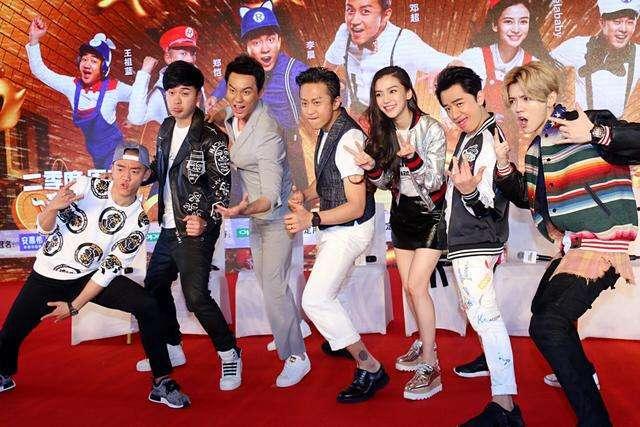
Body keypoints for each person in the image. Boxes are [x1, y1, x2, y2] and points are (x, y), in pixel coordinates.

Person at [495, 61, 639, 426]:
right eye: (513, 100)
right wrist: (504, 167)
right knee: (542, 313)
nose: (518, 108)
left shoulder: (588, 122)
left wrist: (596, 132)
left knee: (548, 325)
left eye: (527, 98)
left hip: (603, 245)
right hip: (574, 247)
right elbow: (530, 199)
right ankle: (581, 370)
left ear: (551, 99)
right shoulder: (536, 147)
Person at [0, 143, 191, 409]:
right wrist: (52, 208)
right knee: (10, 333)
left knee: (147, 305)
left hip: (89, 277)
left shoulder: (138, 222)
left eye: (134, 171)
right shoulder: (85, 188)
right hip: (47, 275)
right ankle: (3, 374)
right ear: (111, 169)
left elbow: (107, 271)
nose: (125, 177)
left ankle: (162, 381)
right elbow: (44, 229)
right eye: (120, 168)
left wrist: (74, 306)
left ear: (146, 175)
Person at [133, 60, 242, 391]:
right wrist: (139, 175)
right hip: (169, 225)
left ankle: (230, 352)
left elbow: (223, 187)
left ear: (197, 95)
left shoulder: (211, 137)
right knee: (154, 286)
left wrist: (205, 218)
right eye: (171, 93)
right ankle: (172, 345)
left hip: (196, 228)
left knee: (195, 297)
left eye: (184, 93)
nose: (177, 100)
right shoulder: (166, 127)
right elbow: (161, 167)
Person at [285, 67, 388, 403]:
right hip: (336, 225)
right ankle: (339, 339)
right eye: (304, 103)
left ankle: (370, 366)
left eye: (317, 102)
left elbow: (356, 206)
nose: (310, 110)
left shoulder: (347, 140)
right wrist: (306, 194)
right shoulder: (328, 128)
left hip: (349, 230)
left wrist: (311, 218)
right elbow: (328, 178)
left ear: (336, 101)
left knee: (315, 300)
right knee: (331, 293)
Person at [346, 65, 446, 400]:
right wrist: (371, 167)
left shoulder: (430, 128)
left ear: (408, 92)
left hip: (431, 215)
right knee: (409, 287)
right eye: (379, 94)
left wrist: (413, 156)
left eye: (392, 91)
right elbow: (386, 182)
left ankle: (431, 364)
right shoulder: (384, 131)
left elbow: (435, 180)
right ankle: (424, 343)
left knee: (417, 286)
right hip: (402, 215)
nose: (386, 99)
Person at [215, 54, 310, 388]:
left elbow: (270, 196)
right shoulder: (233, 115)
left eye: (247, 92)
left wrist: (242, 210)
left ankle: (296, 355)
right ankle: (294, 327)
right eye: (232, 90)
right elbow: (222, 115)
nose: (238, 98)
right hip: (257, 218)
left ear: (259, 92)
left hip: (276, 217)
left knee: (272, 285)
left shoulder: (267, 132)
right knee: (272, 283)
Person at [435, 66, 523, 426]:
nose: (455, 113)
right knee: (480, 315)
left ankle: (505, 407)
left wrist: (468, 191)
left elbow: (487, 204)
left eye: (460, 103)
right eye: (448, 107)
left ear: (480, 96)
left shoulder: (487, 139)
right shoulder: (472, 135)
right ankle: (498, 382)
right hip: (470, 241)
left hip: (476, 242)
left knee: (486, 319)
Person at [207, 1, 310, 188]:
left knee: (298, 191)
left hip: (288, 142)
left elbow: (316, 85)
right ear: (247, 47)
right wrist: (215, 96)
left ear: (279, 41)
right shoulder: (246, 69)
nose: (265, 48)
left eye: (270, 40)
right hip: (256, 142)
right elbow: (228, 80)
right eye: (256, 42)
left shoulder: (293, 70)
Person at [26, 17, 130, 169]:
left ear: (104, 67)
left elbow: (143, 97)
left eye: (94, 61)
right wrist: (34, 38)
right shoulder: (72, 86)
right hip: (96, 156)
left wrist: (133, 117)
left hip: (117, 156)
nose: (87, 64)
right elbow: (40, 71)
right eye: (84, 59)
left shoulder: (115, 88)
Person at [323, 0, 453, 115]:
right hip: (357, 114)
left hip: (394, 119)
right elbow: (329, 66)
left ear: (386, 15)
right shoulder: (344, 33)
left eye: (365, 11)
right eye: (350, 10)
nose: (354, 21)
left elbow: (454, 64)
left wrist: (444, 73)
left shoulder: (405, 41)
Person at [550, 0, 640, 118]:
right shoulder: (579, 45)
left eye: (630, 22)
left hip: (617, 127)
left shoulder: (638, 54)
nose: (623, 29)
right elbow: (538, 66)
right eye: (617, 22)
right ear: (602, 23)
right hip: (581, 124)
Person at [128, 25, 206, 126]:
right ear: (168, 58)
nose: (190, 59)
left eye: (193, 53)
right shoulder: (162, 93)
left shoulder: (195, 76)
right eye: (183, 53)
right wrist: (144, 74)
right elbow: (136, 118)